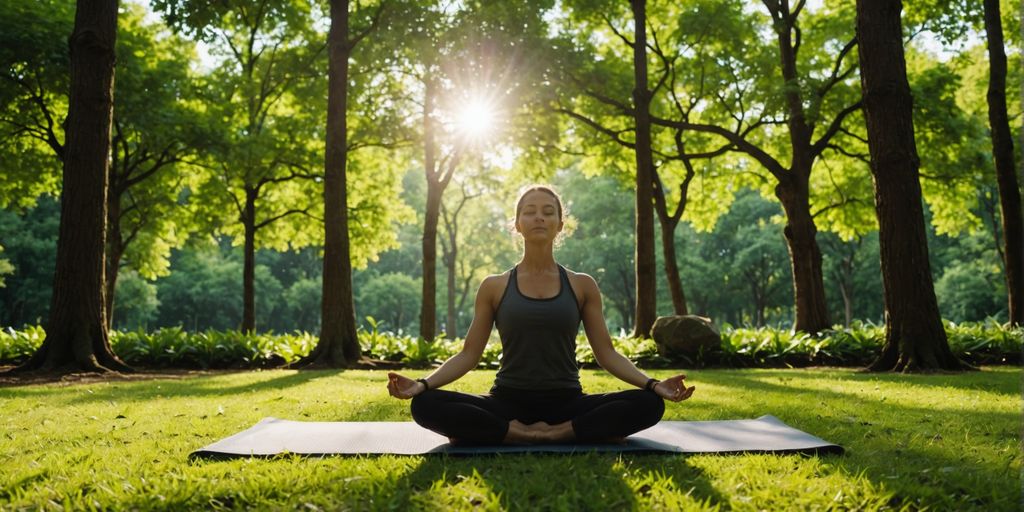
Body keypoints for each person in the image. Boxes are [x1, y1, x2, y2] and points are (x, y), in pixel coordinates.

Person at [387, 185, 695, 445]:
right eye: (530, 211)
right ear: (517, 223)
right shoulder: (493, 286)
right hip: (506, 401)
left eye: (549, 212)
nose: (539, 217)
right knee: (425, 405)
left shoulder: (581, 284)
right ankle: (517, 431)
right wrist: (422, 385)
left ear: (560, 224)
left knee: (649, 405)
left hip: (567, 402)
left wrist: (654, 385)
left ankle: (557, 432)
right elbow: (469, 355)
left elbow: (607, 354)